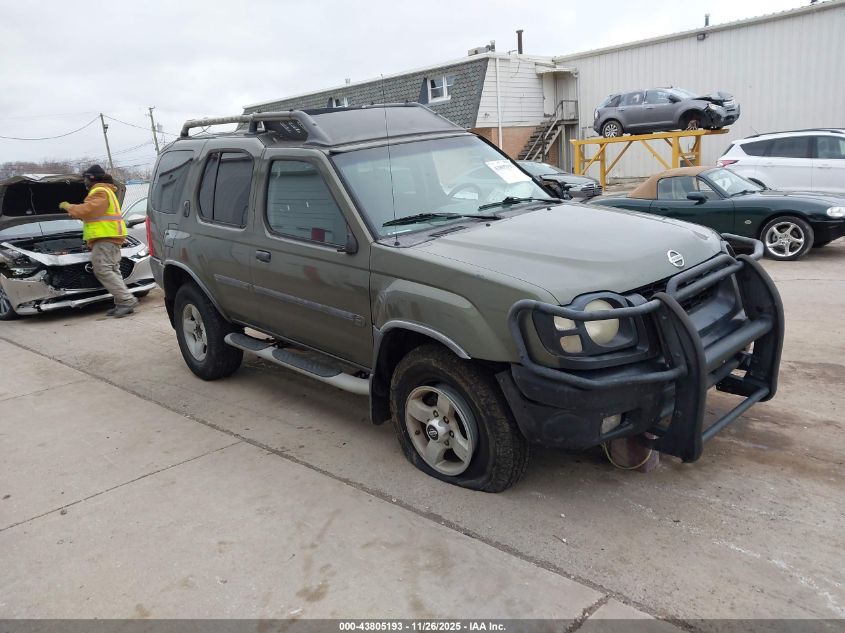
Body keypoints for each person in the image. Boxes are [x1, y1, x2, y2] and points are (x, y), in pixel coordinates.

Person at [59, 165, 138, 318]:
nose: (84, 182)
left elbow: (90, 210)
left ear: (92, 178)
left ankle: (127, 301)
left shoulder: (100, 191)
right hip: (110, 236)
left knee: (103, 270)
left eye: (86, 179)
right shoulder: (107, 191)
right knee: (113, 270)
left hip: (105, 237)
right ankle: (122, 303)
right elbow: (94, 214)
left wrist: (70, 207)